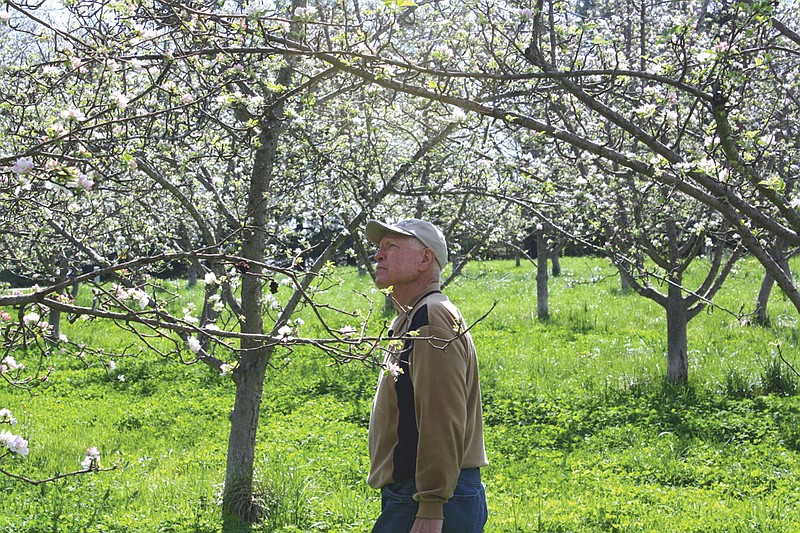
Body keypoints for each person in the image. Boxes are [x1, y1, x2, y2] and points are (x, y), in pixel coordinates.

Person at [365, 218, 489, 533]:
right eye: (379, 248)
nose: (379, 256)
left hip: (430, 496)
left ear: (425, 259)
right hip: (421, 492)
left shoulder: (430, 318)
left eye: (391, 247)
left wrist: (432, 506)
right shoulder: (413, 317)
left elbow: (440, 416)